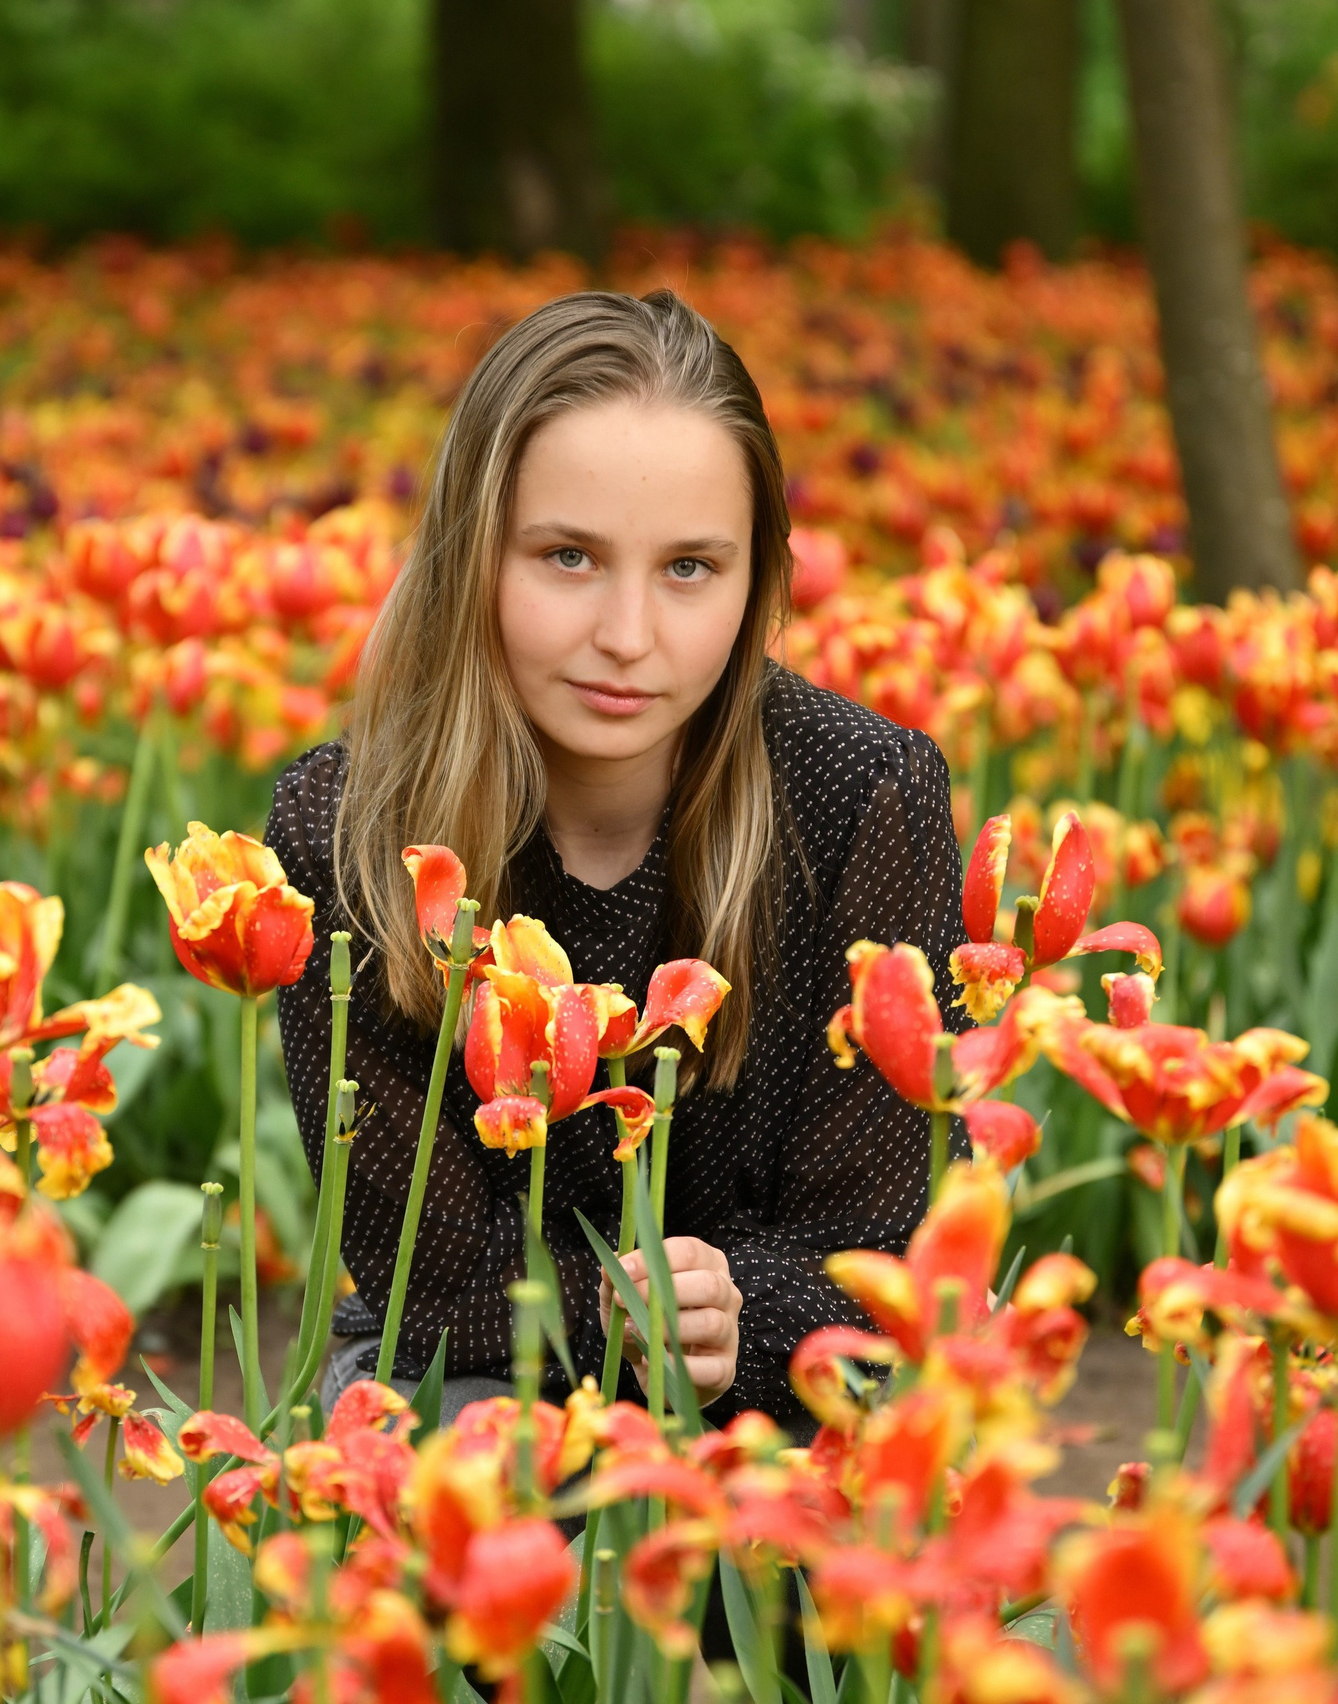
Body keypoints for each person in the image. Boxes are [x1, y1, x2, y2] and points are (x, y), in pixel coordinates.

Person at [267, 288, 966, 1437]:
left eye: (690, 568)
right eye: (569, 557)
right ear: (469, 556)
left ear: (758, 584)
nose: (629, 636)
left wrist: (741, 1317)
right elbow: (421, 1278)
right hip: (484, 1386)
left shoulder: (859, 794)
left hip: (784, 1388)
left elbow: (887, 1244)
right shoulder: (353, 826)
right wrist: (623, 1316)